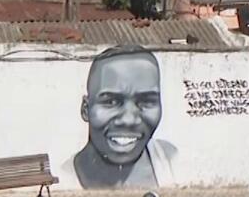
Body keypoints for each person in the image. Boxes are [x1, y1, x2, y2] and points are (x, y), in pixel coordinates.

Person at [65, 45, 177, 189]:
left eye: (146, 101)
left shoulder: (174, 162)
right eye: (110, 102)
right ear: (85, 109)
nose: (128, 120)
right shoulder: (64, 178)